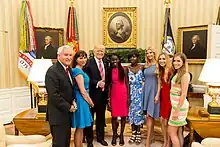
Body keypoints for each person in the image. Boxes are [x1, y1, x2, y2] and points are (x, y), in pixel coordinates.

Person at [45, 45, 76, 147]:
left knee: (66, 143)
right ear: (58, 56)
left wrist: (73, 101)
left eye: (71, 55)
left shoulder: (68, 70)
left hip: (66, 115)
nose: (69, 57)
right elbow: (54, 95)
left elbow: (69, 90)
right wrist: (69, 107)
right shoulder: (52, 71)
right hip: (58, 116)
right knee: (59, 144)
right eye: (66, 55)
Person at [84, 45, 108, 147]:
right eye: (98, 51)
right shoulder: (88, 62)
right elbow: (86, 78)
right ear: (94, 51)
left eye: (102, 51)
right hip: (92, 96)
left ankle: (100, 138)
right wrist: (97, 83)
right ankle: (89, 140)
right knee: (90, 119)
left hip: (103, 97)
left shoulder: (106, 62)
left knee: (101, 119)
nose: (100, 53)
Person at [71, 50, 94, 147]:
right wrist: (91, 102)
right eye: (80, 58)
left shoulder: (81, 70)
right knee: (80, 127)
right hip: (81, 99)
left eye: (85, 57)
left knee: (81, 127)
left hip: (82, 99)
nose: (83, 60)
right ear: (76, 59)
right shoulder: (77, 71)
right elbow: (82, 91)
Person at [168, 52, 190, 147]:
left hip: (179, 107)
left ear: (183, 62)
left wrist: (176, 111)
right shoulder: (177, 73)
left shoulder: (185, 75)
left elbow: (184, 94)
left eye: (178, 61)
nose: (175, 63)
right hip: (175, 105)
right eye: (174, 61)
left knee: (171, 132)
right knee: (175, 132)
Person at [107, 53, 128, 146]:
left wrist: (129, 97)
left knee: (123, 116)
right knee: (114, 116)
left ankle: (122, 134)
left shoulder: (124, 69)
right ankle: (115, 134)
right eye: (112, 60)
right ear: (110, 61)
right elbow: (109, 85)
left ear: (119, 60)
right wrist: (108, 99)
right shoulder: (109, 70)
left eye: (116, 59)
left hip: (123, 94)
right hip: (114, 94)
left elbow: (127, 83)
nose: (114, 61)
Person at [143, 47, 160, 147]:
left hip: (154, 92)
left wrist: (157, 94)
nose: (149, 54)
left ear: (154, 53)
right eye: (147, 53)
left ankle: (148, 142)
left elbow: (159, 82)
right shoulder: (146, 65)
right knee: (149, 115)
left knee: (150, 115)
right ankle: (152, 136)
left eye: (151, 53)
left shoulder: (158, 65)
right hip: (146, 91)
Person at [127, 51, 144, 145]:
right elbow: (126, 82)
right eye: (131, 57)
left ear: (138, 57)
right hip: (131, 93)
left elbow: (146, 80)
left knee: (139, 113)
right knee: (131, 113)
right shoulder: (127, 68)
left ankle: (138, 133)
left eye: (135, 57)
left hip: (140, 93)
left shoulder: (142, 67)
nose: (133, 59)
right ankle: (133, 133)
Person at [156, 53, 173, 147]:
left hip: (170, 97)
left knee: (167, 121)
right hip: (163, 97)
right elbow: (160, 84)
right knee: (162, 120)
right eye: (160, 59)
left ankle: (169, 141)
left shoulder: (171, 71)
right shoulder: (161, 71)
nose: (161, 61)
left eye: (163, 59)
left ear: (167, 60)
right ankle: (165, 140)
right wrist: (157, 95)